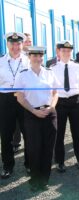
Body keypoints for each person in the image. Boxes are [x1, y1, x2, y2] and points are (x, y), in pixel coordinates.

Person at [14, 46, 58, 191]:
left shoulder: (49, 73)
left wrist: (51, 107)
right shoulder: (23, 75)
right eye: (34, 56)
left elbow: (55, 93)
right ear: (29, 57)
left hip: (49, 113)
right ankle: (35, 180)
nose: (38, 59)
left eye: (40, 56)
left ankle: (44, 180)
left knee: (47, 148)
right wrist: (34, 111)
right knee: (34, 149)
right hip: (32, 115)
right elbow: (20, 97)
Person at [52, 41, 79, 172]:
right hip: (60, 103)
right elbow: (51, 88)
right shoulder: (53, 67)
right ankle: (60, 162)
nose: (66, 53)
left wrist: (76, 96)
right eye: (63, 51)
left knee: (77, 133)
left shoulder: (77, 66)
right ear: (58, 52)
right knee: (59, 134)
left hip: (75, 102)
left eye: (69, 51)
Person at [0, 32, 30, 179]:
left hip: (24, 99)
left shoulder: (28, 61)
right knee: (6, 135)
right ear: (7, 44)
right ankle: (7, 166)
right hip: (5, 100)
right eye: (12, 43)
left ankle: (29, 164)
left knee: (29, 133)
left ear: (22, 44)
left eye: (18, 44)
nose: (15, 47)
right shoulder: (0, 61)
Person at [12, 32, 32, 153]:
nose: (29, 43)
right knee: (15, 121)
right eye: (27, 41)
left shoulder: (33, 55)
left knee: (26, 119)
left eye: (30, 41)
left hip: (27, 94)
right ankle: (16, 142)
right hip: (13, 93)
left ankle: (29, 146)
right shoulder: (16, 56)